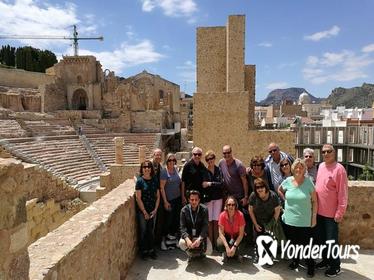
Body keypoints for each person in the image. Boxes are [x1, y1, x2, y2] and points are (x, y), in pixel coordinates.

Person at [278, 158, 317, 278]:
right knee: (293, 243)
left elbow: (315, 201)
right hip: (289, 220)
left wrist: (314, 217)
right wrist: (285, 201)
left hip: (305, 220)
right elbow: (279, 190)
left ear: (305, 169)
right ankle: (295, 261)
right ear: (293, 169)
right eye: (296, 167)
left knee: (307, 245)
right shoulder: (288, 181)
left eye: (301, 167)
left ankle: (311, 265)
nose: (298, 169)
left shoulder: (309, 182)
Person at [315, 144, 348, 277]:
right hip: (319, 212)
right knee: (322, 240)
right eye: (324, 151)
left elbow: (343, 193)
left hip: (331, 215)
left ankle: (335, 266)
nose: (326, 153)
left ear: (334, 153)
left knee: (331, 241)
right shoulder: (321, 166)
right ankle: (326, 261)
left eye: (329, 151)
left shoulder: (339, 170)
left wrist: (339, 213)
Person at [248, 178, 281, 263]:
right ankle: (258, 255)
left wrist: (272, 224)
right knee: (257, 239)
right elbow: (250, 209)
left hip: (270, 220)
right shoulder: (253, 195)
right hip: (258, 221)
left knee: (269, 239)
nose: (260, 189)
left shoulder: (273, 195)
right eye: (257, 187)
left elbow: (277, 210)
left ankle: (269, 256)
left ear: (265, 187)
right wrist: (255, 224)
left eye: (261, 187)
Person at [135, 160, 160, 260]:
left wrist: (155, 210)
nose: (147, 169)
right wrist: (144, 212)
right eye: (145, 167)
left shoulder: (154, 180)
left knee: (151, 230)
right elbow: (138, 198)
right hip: (143, 211)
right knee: (143, 231)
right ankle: (144, 251)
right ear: (142, 169)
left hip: (153, 210)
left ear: (151, 169)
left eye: (148, 167)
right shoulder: (140, 181)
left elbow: (158, 196)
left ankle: (151, 250)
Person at [179, 190, 210, 262]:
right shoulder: (184, 210)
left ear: (199, 200)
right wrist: (188, 240)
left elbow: (205, 226)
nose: (194, 202)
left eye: (196, 200)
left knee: (209, 249)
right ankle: (191, 254)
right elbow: (182, 228)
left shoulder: (204, 209)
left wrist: (199, 239)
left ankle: (200, 253)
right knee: (181, 243)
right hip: (189, 236)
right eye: (192, 200)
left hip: (200, 236)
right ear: (188, 200)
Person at [159, 153, 182, 250]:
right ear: (167, 161)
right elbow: (162, 188)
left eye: (173, 160)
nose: (172, 162)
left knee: (175, 220)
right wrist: (165, 201)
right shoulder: (164, 172)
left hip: (177, 199)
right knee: (167, 221)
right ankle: (163, 241)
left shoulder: (176, 170)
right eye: (170, 160)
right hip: (169, 200)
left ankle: (172, 241)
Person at [202, 150, 223, 250]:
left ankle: (216, 244)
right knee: (209, 221)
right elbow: (203, 185)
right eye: (208, 159)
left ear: (214, 158)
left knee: (216, 221)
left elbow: (222, 184)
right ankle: (210, 244)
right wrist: (214, 184)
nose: (210, 160)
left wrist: (210, 184)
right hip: (209, 199)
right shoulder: (205, 171)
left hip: (218, 198)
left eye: (212, 158)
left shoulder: (219, 170)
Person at [217, 196, 245, 263]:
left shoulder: (240, 215)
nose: (231, 206)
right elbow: (221, 233)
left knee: (241, 246)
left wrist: (234, 247)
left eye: (233, 205)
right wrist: (226, 247)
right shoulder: (222, 215)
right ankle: (225, 253)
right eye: (229, 204)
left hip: (237, 236)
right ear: (226, 206)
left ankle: (237, 254)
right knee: (219, 243)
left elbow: (241, 234)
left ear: (236, 206)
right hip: (227, 236)